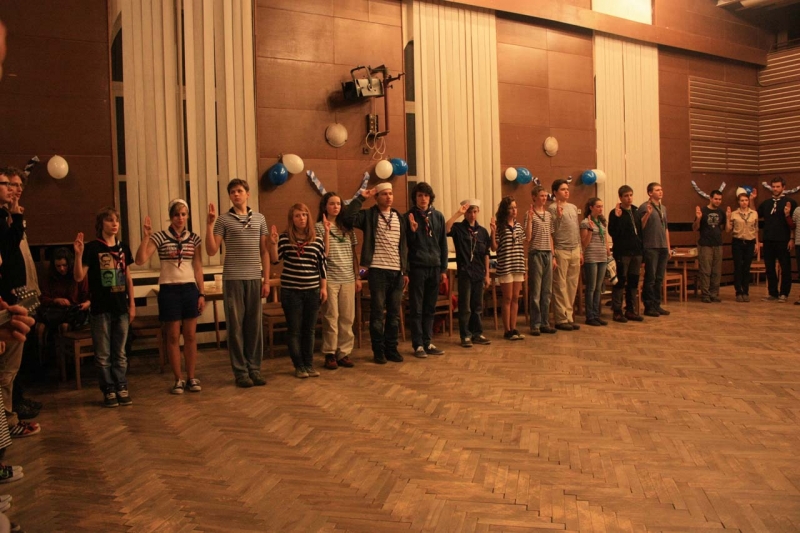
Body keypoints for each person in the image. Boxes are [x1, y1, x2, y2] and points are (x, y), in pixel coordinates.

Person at [206, 179, 272, 388]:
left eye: (240, 191)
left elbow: (265, 252)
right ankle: (241, 372)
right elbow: (211, 250)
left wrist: (266, 280)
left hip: (254, 278)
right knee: (235, 327)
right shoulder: (223, 220)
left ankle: (255, 369)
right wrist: (209, 225)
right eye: (232, 192)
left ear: (247, 194)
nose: (236, 194)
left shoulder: (260, 218)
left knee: (254, 326)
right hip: (233, 278)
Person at [135, 199, 205, 394]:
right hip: (169, 290)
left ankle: (191, 377)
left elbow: (198, 267)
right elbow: (140, 260)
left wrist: (201, 293)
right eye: (176, 215)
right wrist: (146, 237)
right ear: (171, 216)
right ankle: (178, 379)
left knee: (190, 335)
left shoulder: (194, 238)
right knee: (173, 336)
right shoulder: (160, 237)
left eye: (183, 214)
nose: (180, 218)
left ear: (187, 216)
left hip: (190, 289)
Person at [74, 207, 135, 408]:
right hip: (100, 308)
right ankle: (108, 389)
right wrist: (78, 255)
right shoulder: (92, 248)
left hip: (121, 307)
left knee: (120, 353)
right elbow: (78, 277)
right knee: (102, 354)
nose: (114, 223)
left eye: (116, 220)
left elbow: (128, 278)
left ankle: (121, 385)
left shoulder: (123, 248)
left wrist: (132, 304)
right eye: (109, 220)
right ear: (101, 224)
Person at [341, 182, 408, 365]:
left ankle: (391, 349)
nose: (388, 197)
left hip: (397, 272)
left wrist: (405, 271)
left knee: (394, 314)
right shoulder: (369, 215)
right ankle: (378, 351)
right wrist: (361, 198)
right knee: (377, 313)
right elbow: (348, 218)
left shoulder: (399, 217)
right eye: (384, 194)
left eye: (390, 193)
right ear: (376, 197)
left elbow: (403, 246)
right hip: (377, 271)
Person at [0, 167, 39, 436]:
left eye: (17, 186)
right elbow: (8, 249)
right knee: (6, 370)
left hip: (11, 298)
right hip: (5, 301)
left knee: (10, 369)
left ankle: (9, 421)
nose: (15, 190)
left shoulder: (6, 217)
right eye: (8, 184)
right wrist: (16, 216)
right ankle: (8, 424)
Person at [272, 204, 327, 378]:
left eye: (304, 215)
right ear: (292, 219)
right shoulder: (285, 238)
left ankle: (309, 365)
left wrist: (323, 287)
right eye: (297, 215)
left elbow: (322, 265)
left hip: (312, 290)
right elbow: (275, 259)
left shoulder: (317, 239)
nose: (301, 218)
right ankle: (299, 365)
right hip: (291, 291)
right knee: (294, 330)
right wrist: (273, 244)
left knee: (309, 330)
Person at [316, 193, 360, 370]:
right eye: (332, 204)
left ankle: (344, 353)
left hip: (348, 278)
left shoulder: (347, 228)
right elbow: (322, 254)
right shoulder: (318, 227)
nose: (336, 207)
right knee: (331, 317)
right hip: (330, 278)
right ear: (324, 206)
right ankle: (330, 353)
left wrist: (357, 276)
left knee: (347, 318)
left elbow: (354, 255)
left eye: (338, 204)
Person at [405, 182, 448, 358]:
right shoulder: (409, 216)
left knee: (430, 307)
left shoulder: (438, 216)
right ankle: (418, 345)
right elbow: (406, 245)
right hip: (417, 267)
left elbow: (443, 244)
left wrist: (443, 269)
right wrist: (413, 231)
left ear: (430, 198)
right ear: (415, 198)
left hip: (434, 266)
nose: (423, 199)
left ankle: (428, 342)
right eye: (419, 195)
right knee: (417, 307)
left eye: (426, 195)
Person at [446, 199, 491, 348]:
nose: (472, 214)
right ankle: (465, 335)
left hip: (479, 272)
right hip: (465, 271)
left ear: (478, 212)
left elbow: (486, 254)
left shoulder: (482, 231)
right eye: (469, 212)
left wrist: (487, 275)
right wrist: (458, 213)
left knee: (477, 306)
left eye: (475, 211)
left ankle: (477, 333)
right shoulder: (459, 228)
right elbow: (446, 229)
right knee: (465, 306)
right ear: (466, 213)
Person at [37, 248, 91, 361]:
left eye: (64, 265)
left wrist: (86, 303)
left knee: (65, 325)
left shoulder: (78, 275)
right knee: (41, 323)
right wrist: (56, 300)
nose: (61, 269)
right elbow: (42, 298)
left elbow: (86, 295)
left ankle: (68, 361)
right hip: (55, 311)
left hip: (73, 311)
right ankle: (46, 360)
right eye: (58, 266)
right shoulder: (49, 277)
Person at [523, 186, 557, 336]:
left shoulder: (548, 215)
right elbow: (528, 237)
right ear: (534, 197)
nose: (544, 198)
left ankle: (545, 322)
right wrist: (530, 220)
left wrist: (553, 255)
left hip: (548, 253)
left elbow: (551, 236)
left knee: (547, 291)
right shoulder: (529, 214)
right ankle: (535, 324)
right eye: (541, 196)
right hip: (536, 253)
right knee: (536, 291)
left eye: (545, 196)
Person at [548, 179, 582, 331]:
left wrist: (580, 250)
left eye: (567, 189)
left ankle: (569, 316)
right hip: (561, 250)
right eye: (562, 189)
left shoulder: (573, 207)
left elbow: (576, 230)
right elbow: (552, 231)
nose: (566, 191)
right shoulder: (552, 208)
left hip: (575, 249)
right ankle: (560, 318)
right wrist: (559, 217)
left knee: (571, 285)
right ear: (555, 192)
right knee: (560, 286)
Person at [757, 177, 796, 302]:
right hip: (768, 239)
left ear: (783, 187)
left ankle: (784, 293)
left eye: (778, 186)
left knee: (785, 267)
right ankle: (772, 293)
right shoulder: (766, 203)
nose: (775, 189)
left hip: (783, 240)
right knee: (769, 267)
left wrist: (791, 238)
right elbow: (756, 215)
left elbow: (794, 224)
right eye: (773, 186)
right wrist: (751, 200)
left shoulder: (790, 202)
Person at [491, 196, 526, 341]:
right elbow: (494, 247)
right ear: (505, 210)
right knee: (507, 298)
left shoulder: (518, 226)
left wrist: (530, 221)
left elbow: (525, 241)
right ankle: (507, 330)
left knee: (515, 298)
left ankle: (514, 327)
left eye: (515, 207)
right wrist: (493, 232)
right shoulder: (500, 226)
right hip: (506, 265)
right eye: (511, 208)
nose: (514, 210)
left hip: (518, 264)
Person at [608, 185, 644, 323]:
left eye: (630, 195)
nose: (629, 198)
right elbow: (613, 232)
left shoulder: (635, 211)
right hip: (623, 252)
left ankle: (630, 310)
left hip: (636, 252)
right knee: (620, 281)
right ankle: (617, 311)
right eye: (626, 196)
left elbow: (640, 232)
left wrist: (642, 251)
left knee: (633, 281)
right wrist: (618, 218)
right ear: (620, 197)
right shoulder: (615, 212)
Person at [638, 182, 671, 317]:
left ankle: (657, 304)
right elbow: (640, 226)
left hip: (663, 247)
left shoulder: (663, 208)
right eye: (657, 190)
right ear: (650, 193)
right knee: (650, 278)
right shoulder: (644, 207)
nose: (660, 192)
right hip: (651, 246)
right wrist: (647, 214)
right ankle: (649, 306)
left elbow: (666, 228)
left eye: (661, 189)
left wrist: (668, 247)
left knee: (659, 278)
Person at [693, 190, 729, 303]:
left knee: (716, 271)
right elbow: (695, 228)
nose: (718, 201)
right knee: (706, 271)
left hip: (718, 244)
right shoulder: (703, 211)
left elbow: (726, 229)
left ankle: (714, 293)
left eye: (720, 199)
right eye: (716, 199)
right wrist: (698, 218)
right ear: (710, 198)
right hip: (705, 245)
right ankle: (705, 294)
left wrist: (728, 218)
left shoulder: (721, 212)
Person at [580, 198, 610, 326]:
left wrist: (608, 252)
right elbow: (584, 243)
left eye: (601, 206)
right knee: (591, 287)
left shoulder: (602, 222)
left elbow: (605, 239)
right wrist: (591, 230)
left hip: (602, 257)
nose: (600, 209)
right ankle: (590, 315)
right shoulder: (585, 222)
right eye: (598, 206)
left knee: (599, 288)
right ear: (591, 207)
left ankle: (597, 315)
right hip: (591, 257)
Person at [729, 191, 758, 303]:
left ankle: (746, 291)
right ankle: (738, 291)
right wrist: (727, 218)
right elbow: (728, 229)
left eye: (746, 200)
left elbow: (756, 229)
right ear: (738, 202)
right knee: (738, 267)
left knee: (746, 267)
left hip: (750, 242)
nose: (744, 202)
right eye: (742, 200)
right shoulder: (734, 214)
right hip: (737, 242)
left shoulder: (754, 213)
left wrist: (756, 243)